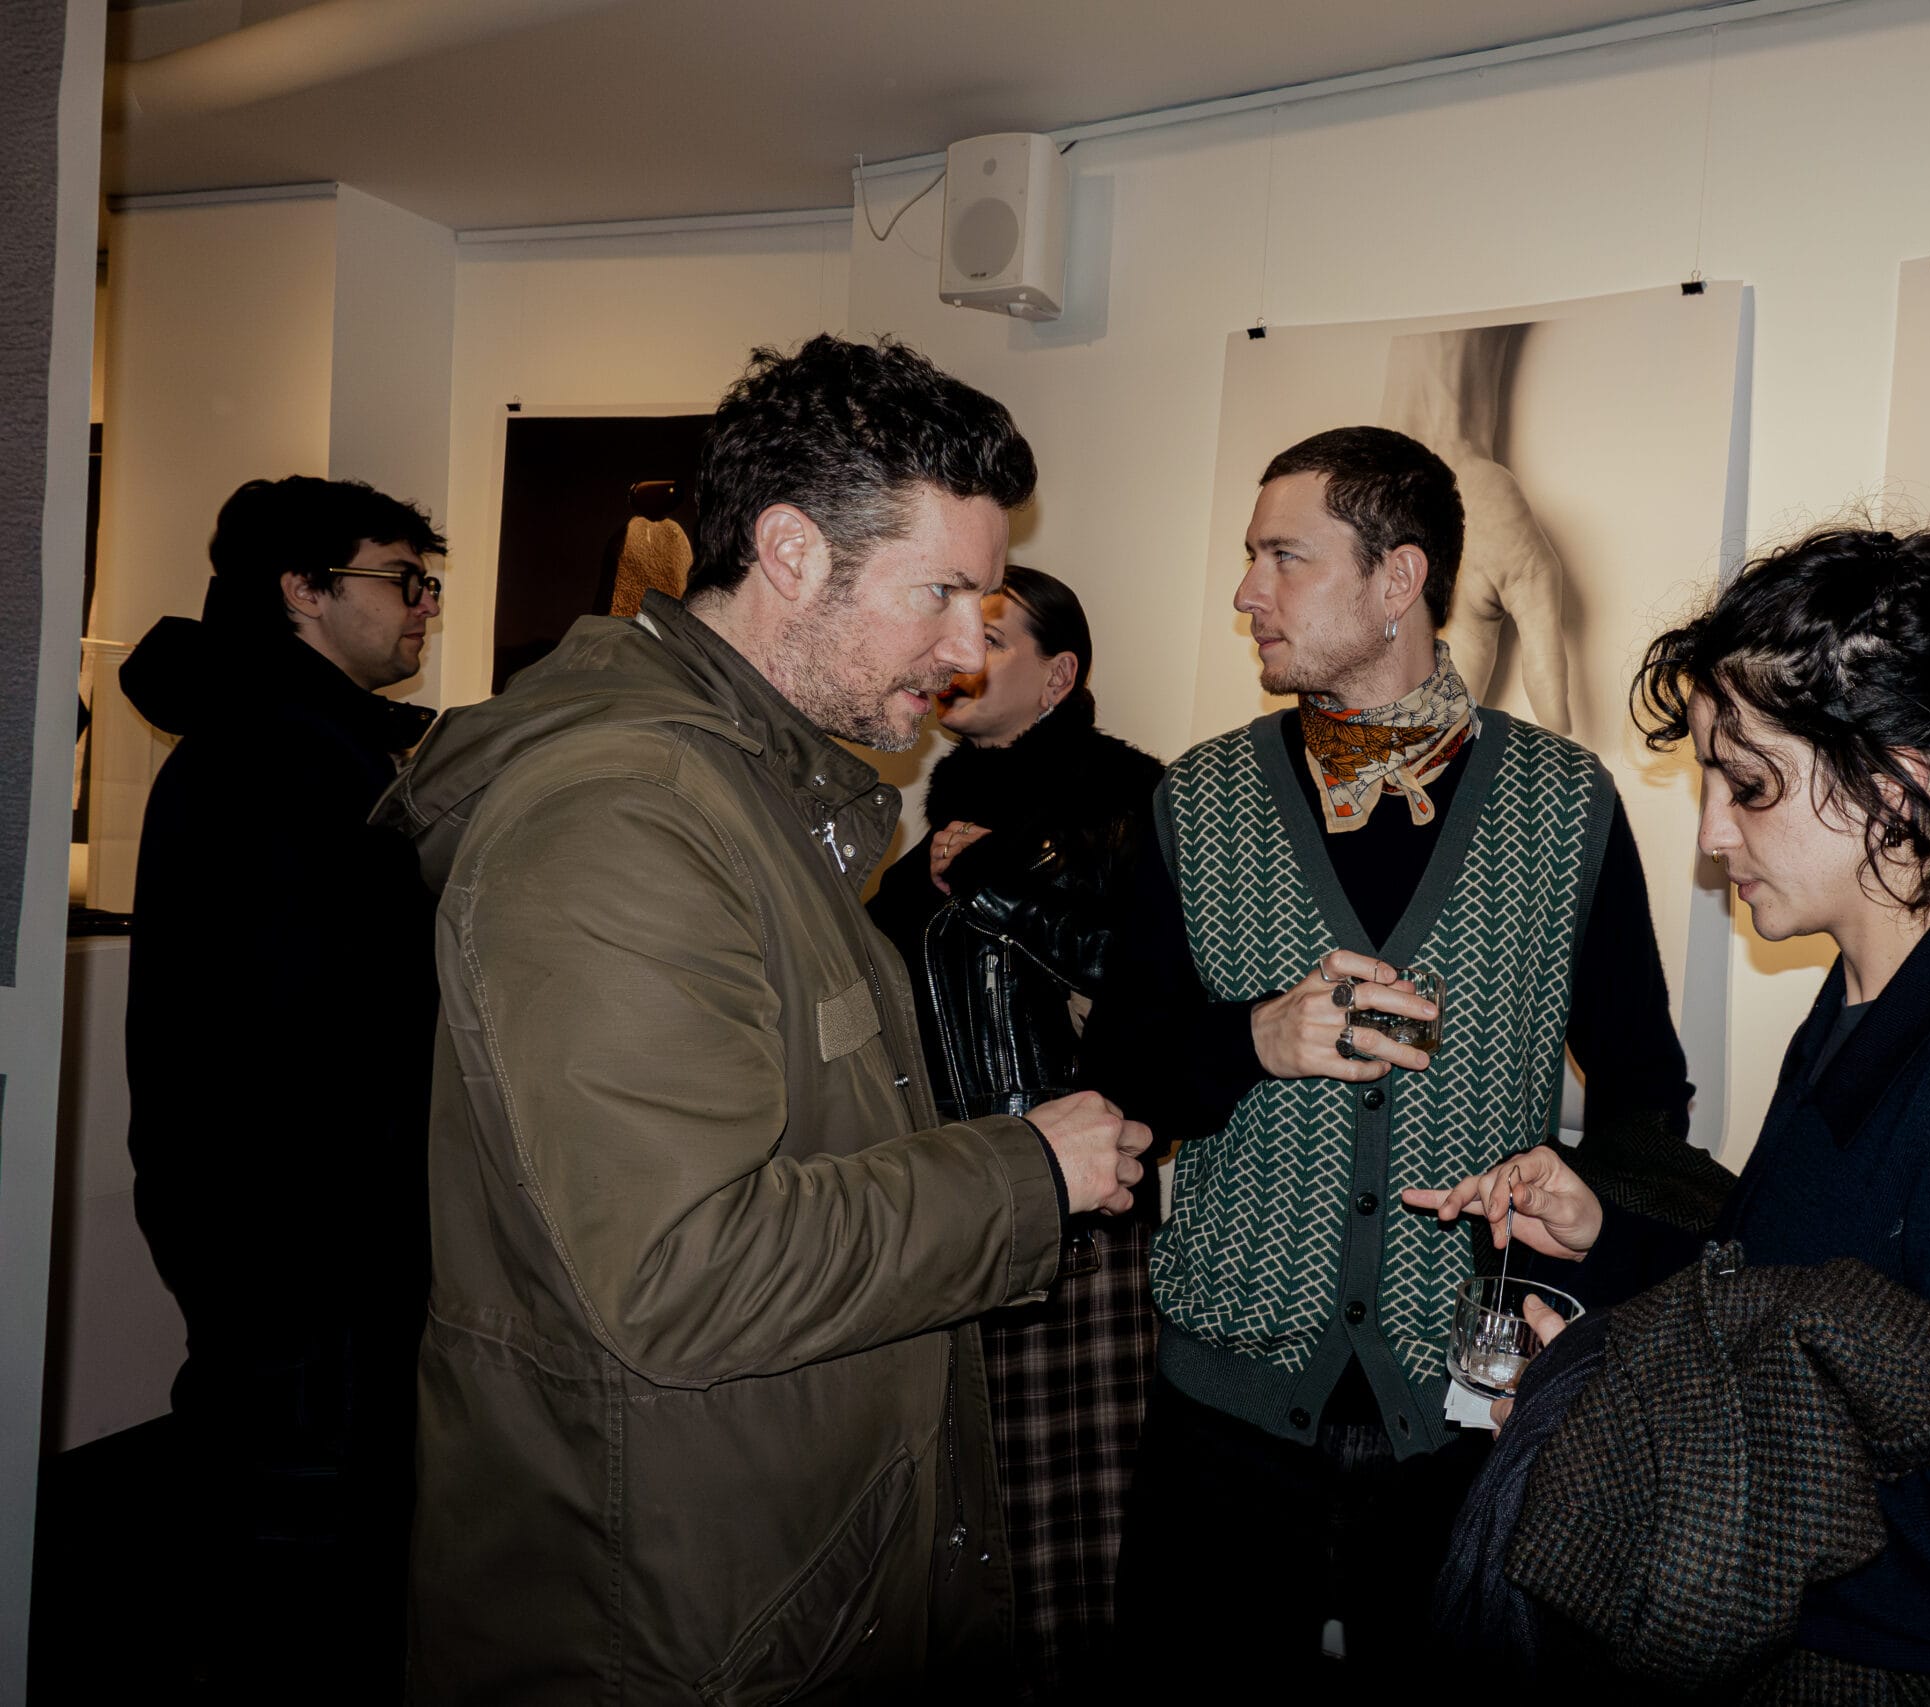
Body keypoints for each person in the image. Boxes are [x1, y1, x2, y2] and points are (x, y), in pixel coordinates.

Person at [372, 335, 1153, 1703]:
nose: (965, 652)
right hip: (673, 1616)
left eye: (985, 606)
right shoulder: (623, 814)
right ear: (791, 553)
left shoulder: (752, 792)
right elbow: (683, 1264)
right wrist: (1022, 1172)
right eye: (942, 594)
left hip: (759, 1560)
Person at [1411, 524, 1930, 1699]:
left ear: (1898, 789)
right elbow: (1779, 1295)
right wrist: (1609, 1242)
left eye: (1748, 786)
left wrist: (1608, 1461)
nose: (1711, 834)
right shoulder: (1860, 1001)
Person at [1085, 425, 1718, 1678]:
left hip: (1462, 1425)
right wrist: (1253, 1039)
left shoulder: (1563, 804)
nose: (1245, 591)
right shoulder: (1195, 802)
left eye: (1284, 557)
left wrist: (1575, 1265)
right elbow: (1121, 1079)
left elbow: (1643, 1092)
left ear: (1398, 579)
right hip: (1227, 1417)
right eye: (1250, 557)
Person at [119, 474, 448, 1700]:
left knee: (292, 1518)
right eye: (400, 581)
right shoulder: (281, 757)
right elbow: (303, 1028)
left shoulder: (304, 743)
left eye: (427, 583)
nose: (422, 607)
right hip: (303, 1235)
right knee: (303, 1546)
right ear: (302, 590)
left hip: (291, 1229)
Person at [865, 564, 1166, 1696]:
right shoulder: (951, 803)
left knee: (1066, 1524)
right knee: (967, 1513)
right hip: (953, 1197)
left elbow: (1146, 986)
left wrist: (988, 881)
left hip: (1078, 1209)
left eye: (992, 634)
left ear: (1058, 676)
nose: (958, 651)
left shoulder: (1129, 799)